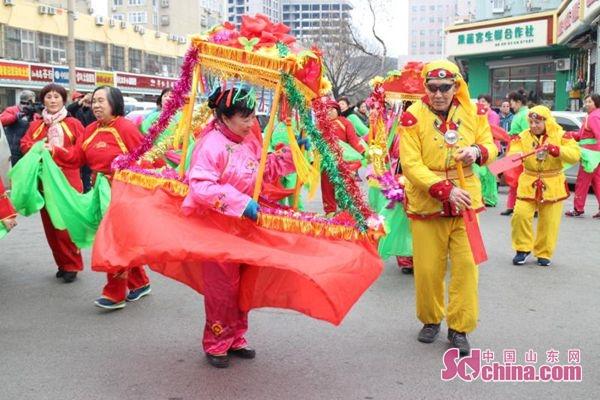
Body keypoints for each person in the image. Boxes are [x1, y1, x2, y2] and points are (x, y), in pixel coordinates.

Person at [182, 86, 296, 368]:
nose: (250, 124)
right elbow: (200, 186)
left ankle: (236, 337)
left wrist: (291, 157)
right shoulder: (210, 145)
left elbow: (260, 173)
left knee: (244, 285)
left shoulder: (248, 141)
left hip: (245, 228)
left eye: (252, 117)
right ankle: (217, 340)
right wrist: (240, 202)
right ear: (224, 117)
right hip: (218, 229)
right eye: (244, 118)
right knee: (222, 289)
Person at [399, 60, 497, 356]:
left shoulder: (474, 112)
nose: (439, 94)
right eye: (433, 88)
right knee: (428, 270)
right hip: (428, 203)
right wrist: (444, 190)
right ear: (425, 88)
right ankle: (430, 320)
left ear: (456, 86)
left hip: (466, 202)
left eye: (445, 87)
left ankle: (460, 327)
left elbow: (491, 146)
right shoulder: (411, 118)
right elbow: (411, 165)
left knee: (467, 268)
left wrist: (477, 152)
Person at [74, 86, 151, 309]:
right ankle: (140, 283)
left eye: (101, 101)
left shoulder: (126, 128)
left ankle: (114, 293)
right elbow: (76, 157)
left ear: (114, 103)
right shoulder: (89, 130)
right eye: (94, 101)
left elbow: (146, 159)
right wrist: (53, 151)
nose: (96, 106)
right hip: (99, 192)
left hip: (122, 194)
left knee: (113, 241)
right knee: (121, 240)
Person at [20, 84, 85, 283]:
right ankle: (62, 263)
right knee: (50, 227)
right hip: (44, 183)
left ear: (64, 100)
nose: (53, 100)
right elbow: (24, 144)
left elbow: (81, 152)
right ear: (43, 100)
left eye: (57, 96)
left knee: (65, 226)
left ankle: (72, 265)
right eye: (49, 96)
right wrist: (40, 147)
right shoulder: (37, 125)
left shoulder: (73, 124)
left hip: (67, 182)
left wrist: (56, 152)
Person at [509, 106, 580, 266]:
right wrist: (516, 155)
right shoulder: (522, 136)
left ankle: (544, 253)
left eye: (538, 122)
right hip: (529, 181)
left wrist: (557, 150)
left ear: (546, 121)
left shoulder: (562, 135)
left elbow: (575, 155)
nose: (534, 125)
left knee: (549, 221)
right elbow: (512, 152)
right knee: (520, 215)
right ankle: (522, 248)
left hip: (553, 183)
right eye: (531, 122)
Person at [322, 99, 365, 215]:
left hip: (344, 161)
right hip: (327, 161)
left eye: (332, 110)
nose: (329, 112)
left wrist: (363, 151)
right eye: (326, 110)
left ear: (337, 111)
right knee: (327, 186)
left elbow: (353, 140)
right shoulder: (321, 124)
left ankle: (347, 211)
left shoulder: (345, 122)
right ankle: (329, 211)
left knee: (346, 186)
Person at [565, 94, 600, 218]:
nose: (586, 104)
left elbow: (598, 135)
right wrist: (570, 134)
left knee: (582, 182)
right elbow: (582, 136)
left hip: (590, 155)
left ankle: (578, 208)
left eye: (589, 102)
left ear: (596, 103)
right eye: (586, 102)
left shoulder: (593, 117)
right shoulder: (592, 116)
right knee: (597, 182)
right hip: (594, 155)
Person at [500, 89, 529, 216]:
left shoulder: (526, 114)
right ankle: (511, 205)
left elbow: (527, 134)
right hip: (514, 147)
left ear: (518, 102)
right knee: (512, 178)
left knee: (521, 178)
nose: (510, 105)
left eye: (511, 102)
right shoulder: (519, 114)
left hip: (521, 149)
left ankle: (524, 205)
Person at [1, 90, 40, 166]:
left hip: (27, 150)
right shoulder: (11, 110)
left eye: (29, 103)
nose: (26, 105)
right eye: (24, 103)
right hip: (12, 150)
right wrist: (16, 116)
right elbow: (2, 121)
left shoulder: (35, 115)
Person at [67, 92, 96, 193]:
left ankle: (87, 191)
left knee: (87, 172)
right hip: (77, 144)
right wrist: (81, 102)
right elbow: (68, 109)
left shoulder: (92, 110)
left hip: (89, 143)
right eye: (78, 99)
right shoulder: (73, 111)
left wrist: (91, 104)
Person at [476, 94, 500, 207]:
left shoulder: (492, 115)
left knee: (489, 175)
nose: (481, 103)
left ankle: (490, 198)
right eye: (480, 101)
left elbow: (491, 130)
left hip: (491, 148)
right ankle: (482, 197)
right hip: (480, 148)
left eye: (484, 101)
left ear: (489, 103)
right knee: (481, 174)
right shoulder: (478, 114)